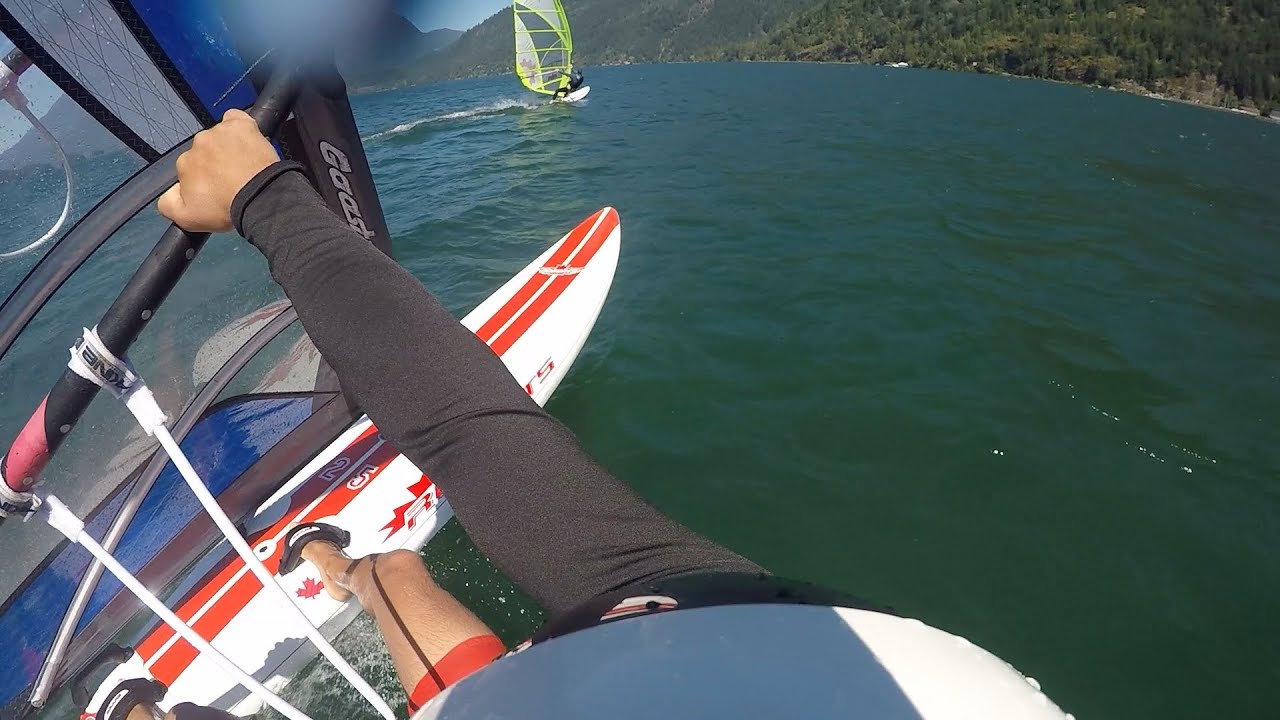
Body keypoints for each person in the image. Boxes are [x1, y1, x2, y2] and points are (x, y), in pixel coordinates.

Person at [128, 110, 1072, 719]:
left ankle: (317, 589)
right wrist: (267, 201)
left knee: (439, 608)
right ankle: (349, 568)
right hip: (730, 619)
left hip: (720, 633)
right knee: (422, 569)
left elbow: (464, 421)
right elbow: (463, 424)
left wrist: (268, 200)